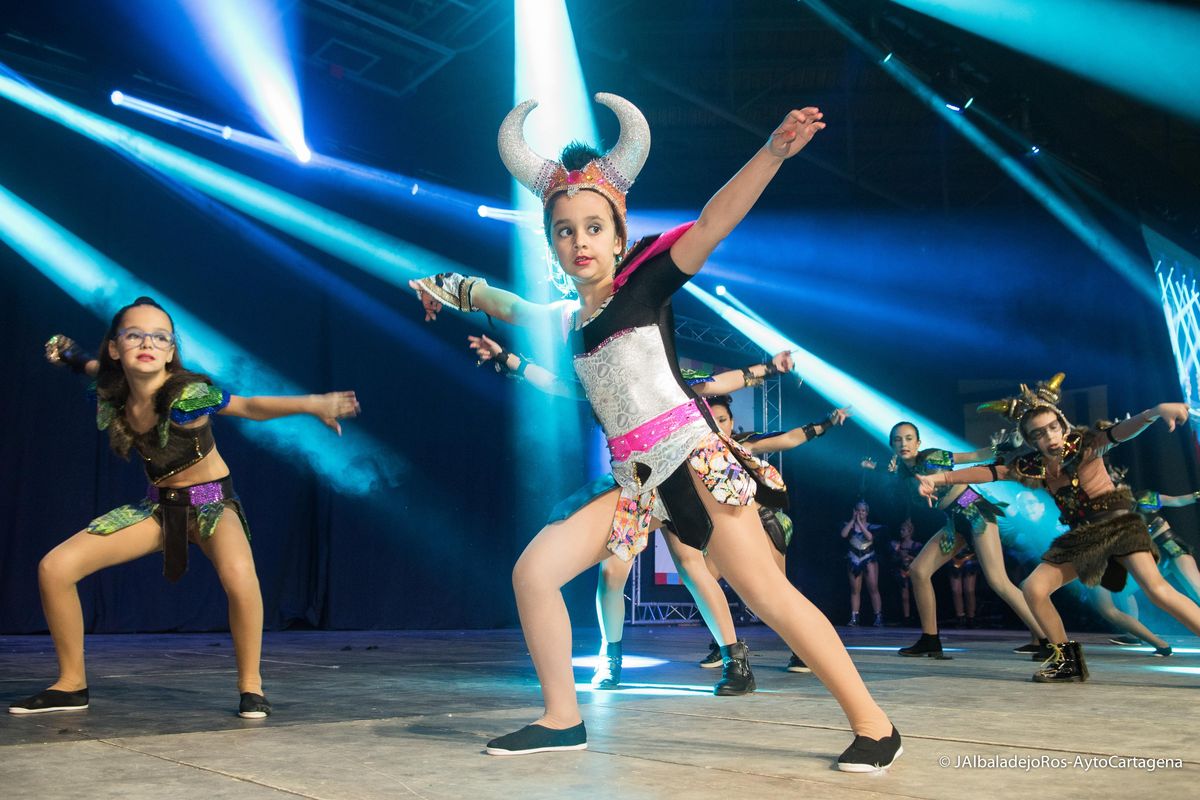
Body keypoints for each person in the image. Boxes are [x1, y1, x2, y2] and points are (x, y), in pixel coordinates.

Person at [412, 93, 900, 770]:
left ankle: (875, 726)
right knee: (534, 574)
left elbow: (713, 221)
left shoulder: (644, 283)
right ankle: (562, 718)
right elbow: (506, 303)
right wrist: (442, 284)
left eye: (593, 228)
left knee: (767, 595)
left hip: (693, 463)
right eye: (564, 231)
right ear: (552, 244)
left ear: (618, 236)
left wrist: (772, 153)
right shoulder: (568, 321)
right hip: (636, 484)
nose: (580, 242)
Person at [10, 297, 359, 718]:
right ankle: (71, 684)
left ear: (171, 351)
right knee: (55, 568)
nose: (148, 343)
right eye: (135, 335)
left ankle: (251, 685)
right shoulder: (116, 388)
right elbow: (94, 368)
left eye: (160, 337)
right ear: (116, 347)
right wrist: (71, 357)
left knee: (240, 576)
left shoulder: (186, 396)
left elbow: (247, 407)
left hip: (212, 503)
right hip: (159, 507)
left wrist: (313, 404)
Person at [918, 372, 1200, 682]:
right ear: (1030, 440)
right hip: (1083, 537)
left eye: (1053, 427)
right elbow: (990, 472)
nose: (1050, 437)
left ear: (1063, 424)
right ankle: (1068, 661)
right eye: (1039, 433)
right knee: (1034, 588)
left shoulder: (1087, 444)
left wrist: (1155, 412)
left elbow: (1121, 432)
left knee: (1157, 590)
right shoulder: (1034, 466)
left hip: (1117, 524)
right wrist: (938, 478)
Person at [865, 422, 1048, 659]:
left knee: (998, 581)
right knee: (919, 571)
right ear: (892, 445)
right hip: (955, 522)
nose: (904, 444)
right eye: (898, 440)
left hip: (974, 512)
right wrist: (877, 468)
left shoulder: (931, 457)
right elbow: (895, 474)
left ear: (918, 443)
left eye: (909, 438)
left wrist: (1002, 447)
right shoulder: (903, 471)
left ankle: (1046, 639)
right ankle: (930, 639)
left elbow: (972, 457)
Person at [841, 500, 884, 628]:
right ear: (855, 511)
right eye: (858, 510)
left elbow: (870, 538)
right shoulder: (849, 525)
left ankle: (878, 617)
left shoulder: (871, 527)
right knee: (855, 590)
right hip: (854, 559)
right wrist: (853, 520)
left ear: (867, 513)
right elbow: (843, 534)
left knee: (873, 588)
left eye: (863, 511)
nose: (861, 513)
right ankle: (854, 617)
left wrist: (859, 523)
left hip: (868, 558)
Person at [890, 518, 922, 625]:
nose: (901, 532)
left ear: (910, 531)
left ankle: (918, 616)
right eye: (901, 530)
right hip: (902, 571)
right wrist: (898, 554)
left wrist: (908, 556)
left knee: (917, 595)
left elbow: (921, 560)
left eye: (903, 530)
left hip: (913, 572)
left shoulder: (916, 545)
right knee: (904, 595)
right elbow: (893, 560)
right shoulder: (898, 545)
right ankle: (906, 617)